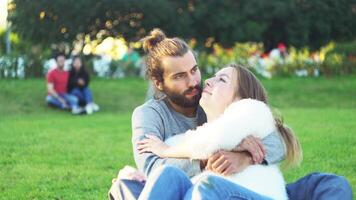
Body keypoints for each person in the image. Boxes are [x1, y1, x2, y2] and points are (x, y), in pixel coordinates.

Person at [108, 29, 352, 200]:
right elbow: (153, 167)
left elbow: (277, 139)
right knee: (138, 182)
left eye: (194, 70)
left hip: (236, 186)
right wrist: (213, 156)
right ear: (159, 83)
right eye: (180, 76)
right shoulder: (148, 115)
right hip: (189, 189)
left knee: (330, 184)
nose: (194, 81)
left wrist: (243, 155)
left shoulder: (214, 99)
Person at [137, 64, 301, 199]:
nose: (207, 81)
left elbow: (211, 140)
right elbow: (191, 143)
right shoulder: (203, 128)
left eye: (222, 80)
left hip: (253, 195)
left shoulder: (252, 109)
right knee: (168, 174)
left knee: (206, 186)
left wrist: (165, 150)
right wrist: (137, 175)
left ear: (241, 98)